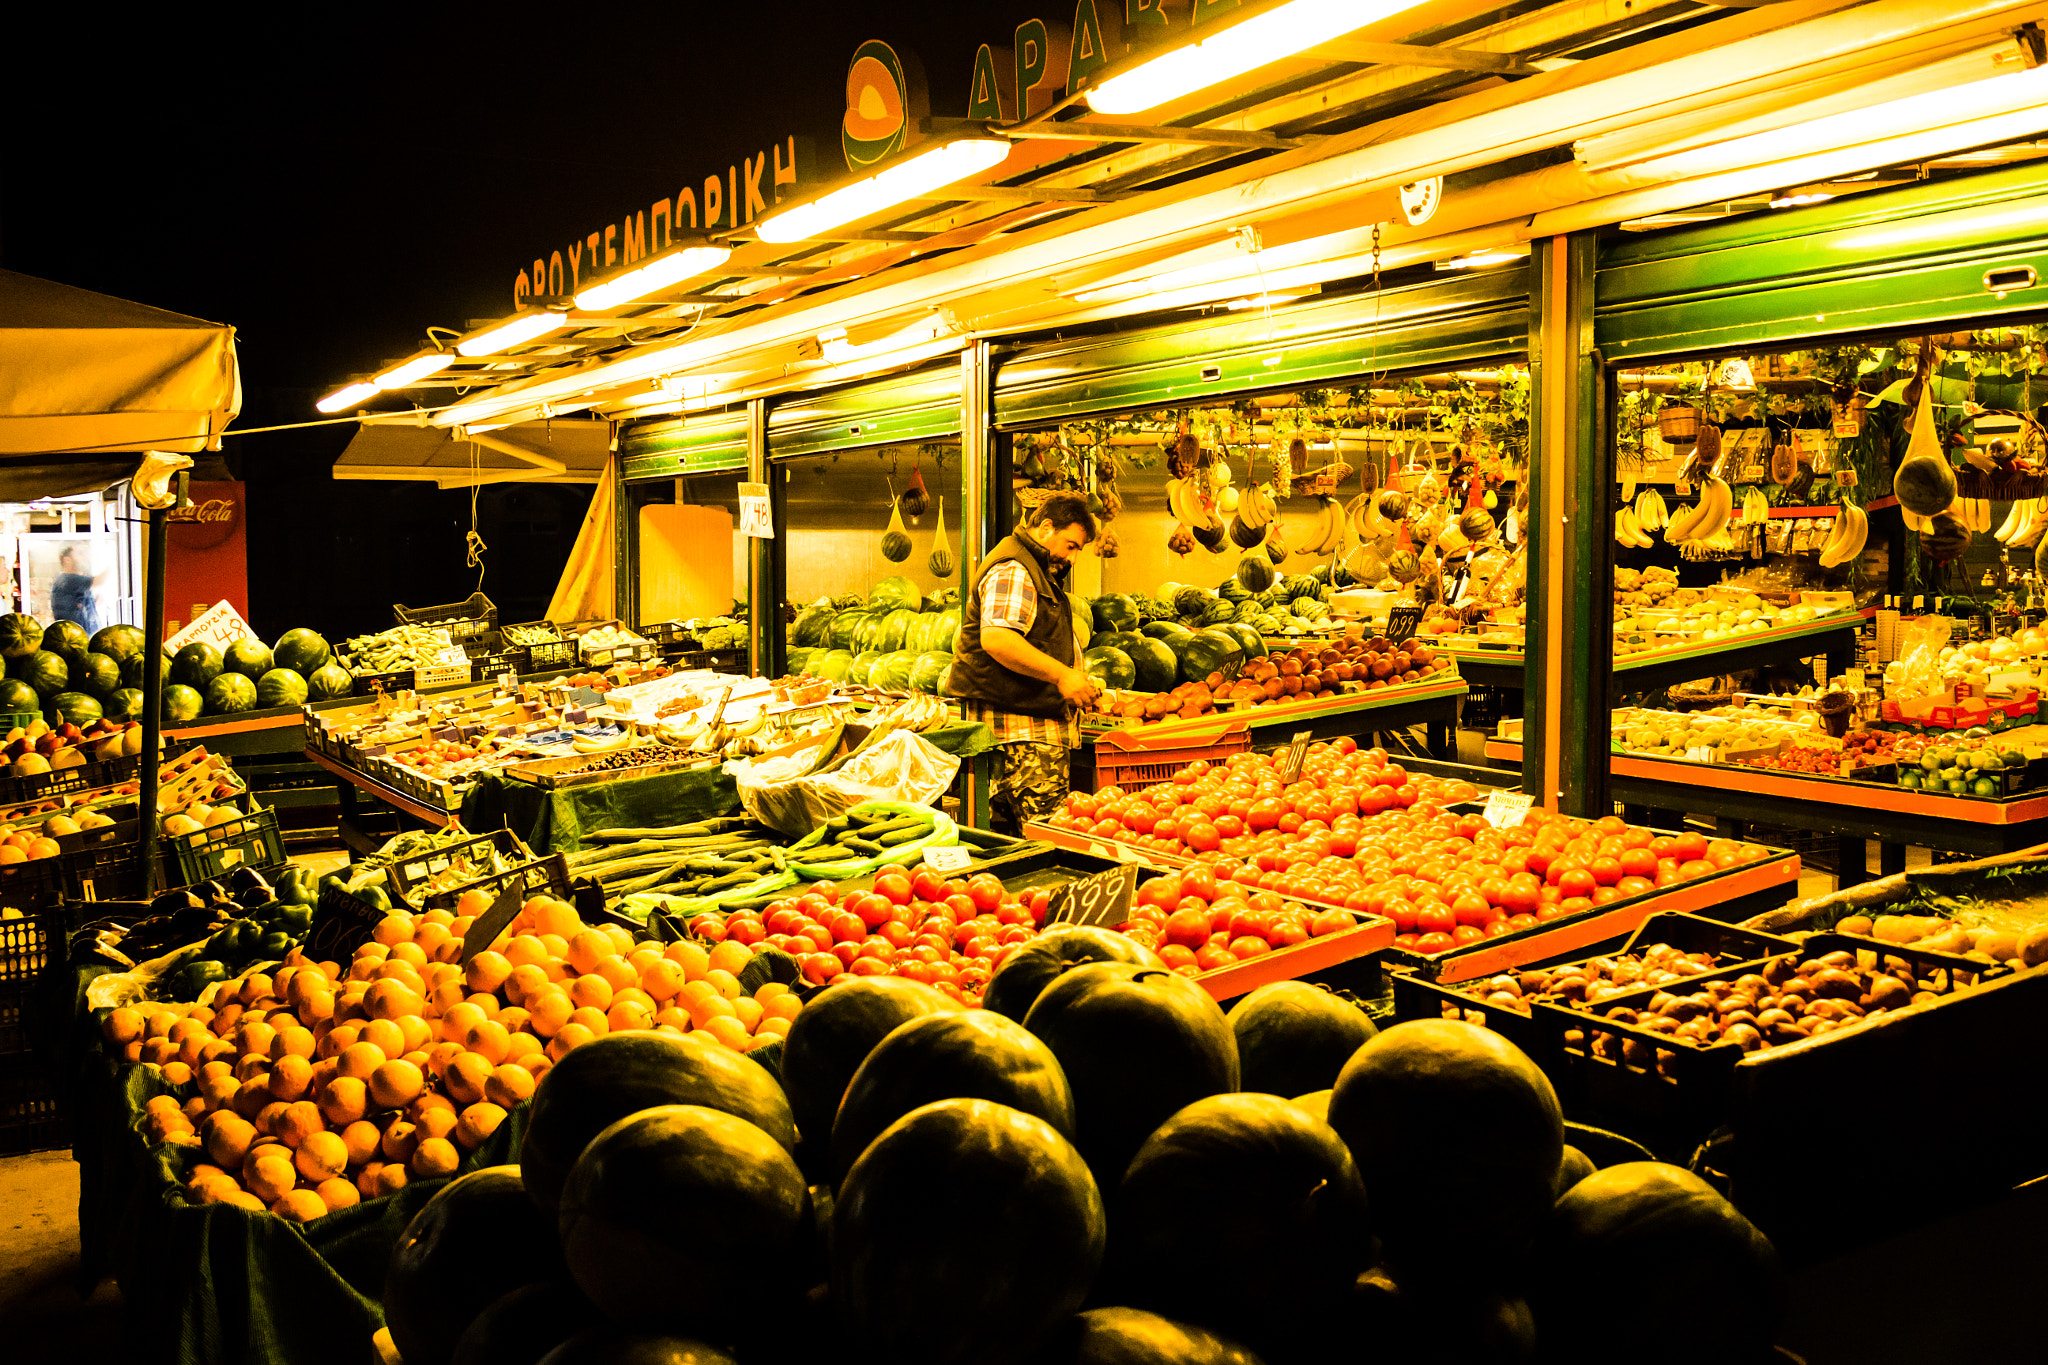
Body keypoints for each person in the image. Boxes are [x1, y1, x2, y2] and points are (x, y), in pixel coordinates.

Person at [947, 493, 1100, 832]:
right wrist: (1063, 676)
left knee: (1031, 835)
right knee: (1045, 839)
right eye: (1071, 545)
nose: (1072, 558)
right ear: (1046, 527)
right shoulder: (1015, 569)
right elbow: (998, 638)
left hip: (1022, 728)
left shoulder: (1031, 567)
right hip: (1019, 734)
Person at [50, 545, 106, 635]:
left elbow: (76, 606)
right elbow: (99, 580)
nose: (83, 558)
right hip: (78, 639)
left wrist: (91, 602)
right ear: (67, 560)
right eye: (79, 554)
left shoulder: (68, 580)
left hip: (84, 638)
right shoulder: (68, 579)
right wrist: (116, 562)